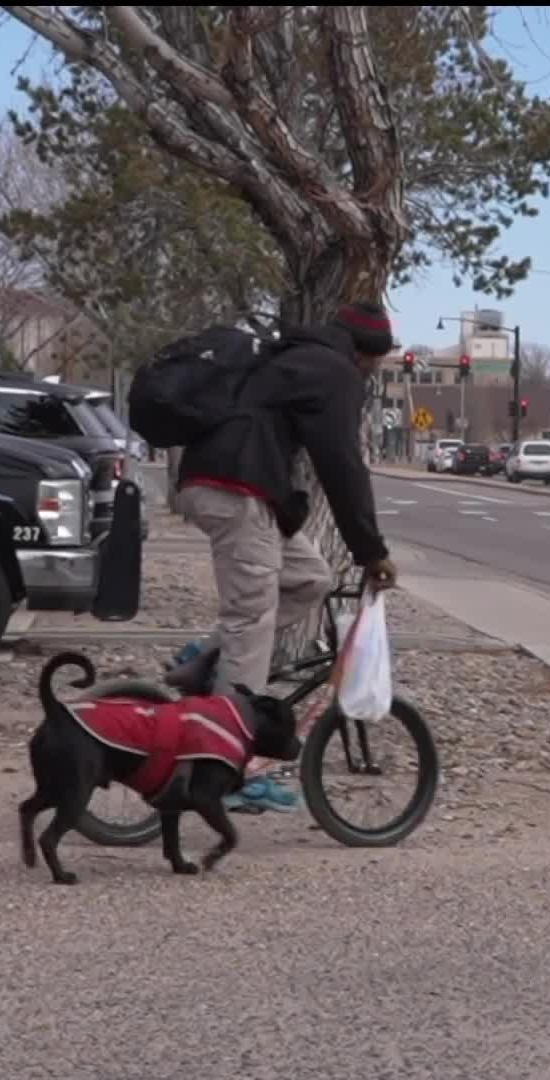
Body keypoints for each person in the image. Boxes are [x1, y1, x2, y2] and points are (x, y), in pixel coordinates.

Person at [170, 301, 399, 812]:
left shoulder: (294, 356)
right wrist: (371, 551)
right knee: (251, 627)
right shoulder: (336, 372)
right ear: (368, 357)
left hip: (236, 488)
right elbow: (341, 464)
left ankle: (207, 658)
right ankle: (228, 771)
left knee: (308, 579)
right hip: (234, 489)